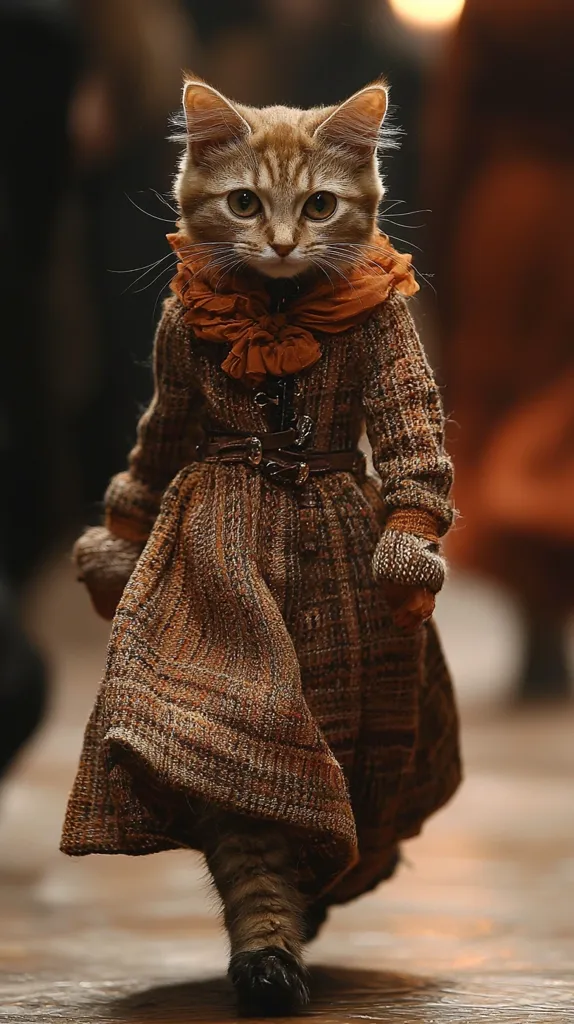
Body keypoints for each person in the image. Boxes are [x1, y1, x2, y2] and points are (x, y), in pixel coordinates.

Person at [427, 0, 574, 699]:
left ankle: (538, 625)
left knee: (504, 402)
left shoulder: (496, 9)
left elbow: (453, 124)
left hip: (507, 211)